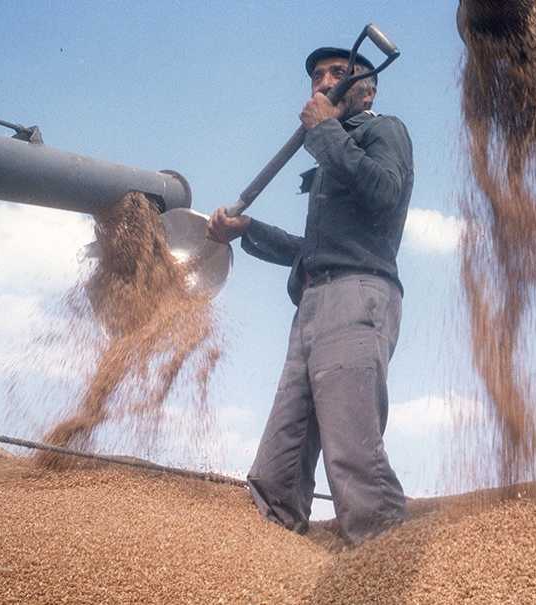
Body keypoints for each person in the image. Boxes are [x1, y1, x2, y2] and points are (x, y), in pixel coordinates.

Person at [207, 46, 414, 545]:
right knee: (280, 457)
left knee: (351, 448)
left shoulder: (384, 131)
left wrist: (323, 132)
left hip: (358, 293)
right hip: (314, 299)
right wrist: (248, 230)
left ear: (367, 90)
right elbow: (313, 251)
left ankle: (383, 557)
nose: (323, 82)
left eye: (338, 73)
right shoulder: (330, 156)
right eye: (317, 76)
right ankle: (274, 548)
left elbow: (386, 192)